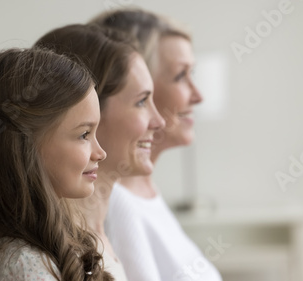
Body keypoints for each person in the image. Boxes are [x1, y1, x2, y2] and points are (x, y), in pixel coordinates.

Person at [0, 47, 114, 281]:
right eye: (84, 134)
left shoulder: (38, 254)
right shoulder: (24, 266)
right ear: (25, 148)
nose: (101, 153)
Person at [91, 9, 223, 281]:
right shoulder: (115, 207)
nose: (198, 95)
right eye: (180, 76)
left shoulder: (145, 194)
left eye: (192, 74)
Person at [35, 24, 165, 281]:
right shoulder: (46, 255)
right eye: (141, 101)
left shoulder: (104, 232)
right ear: (89, 110)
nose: (159, 121)